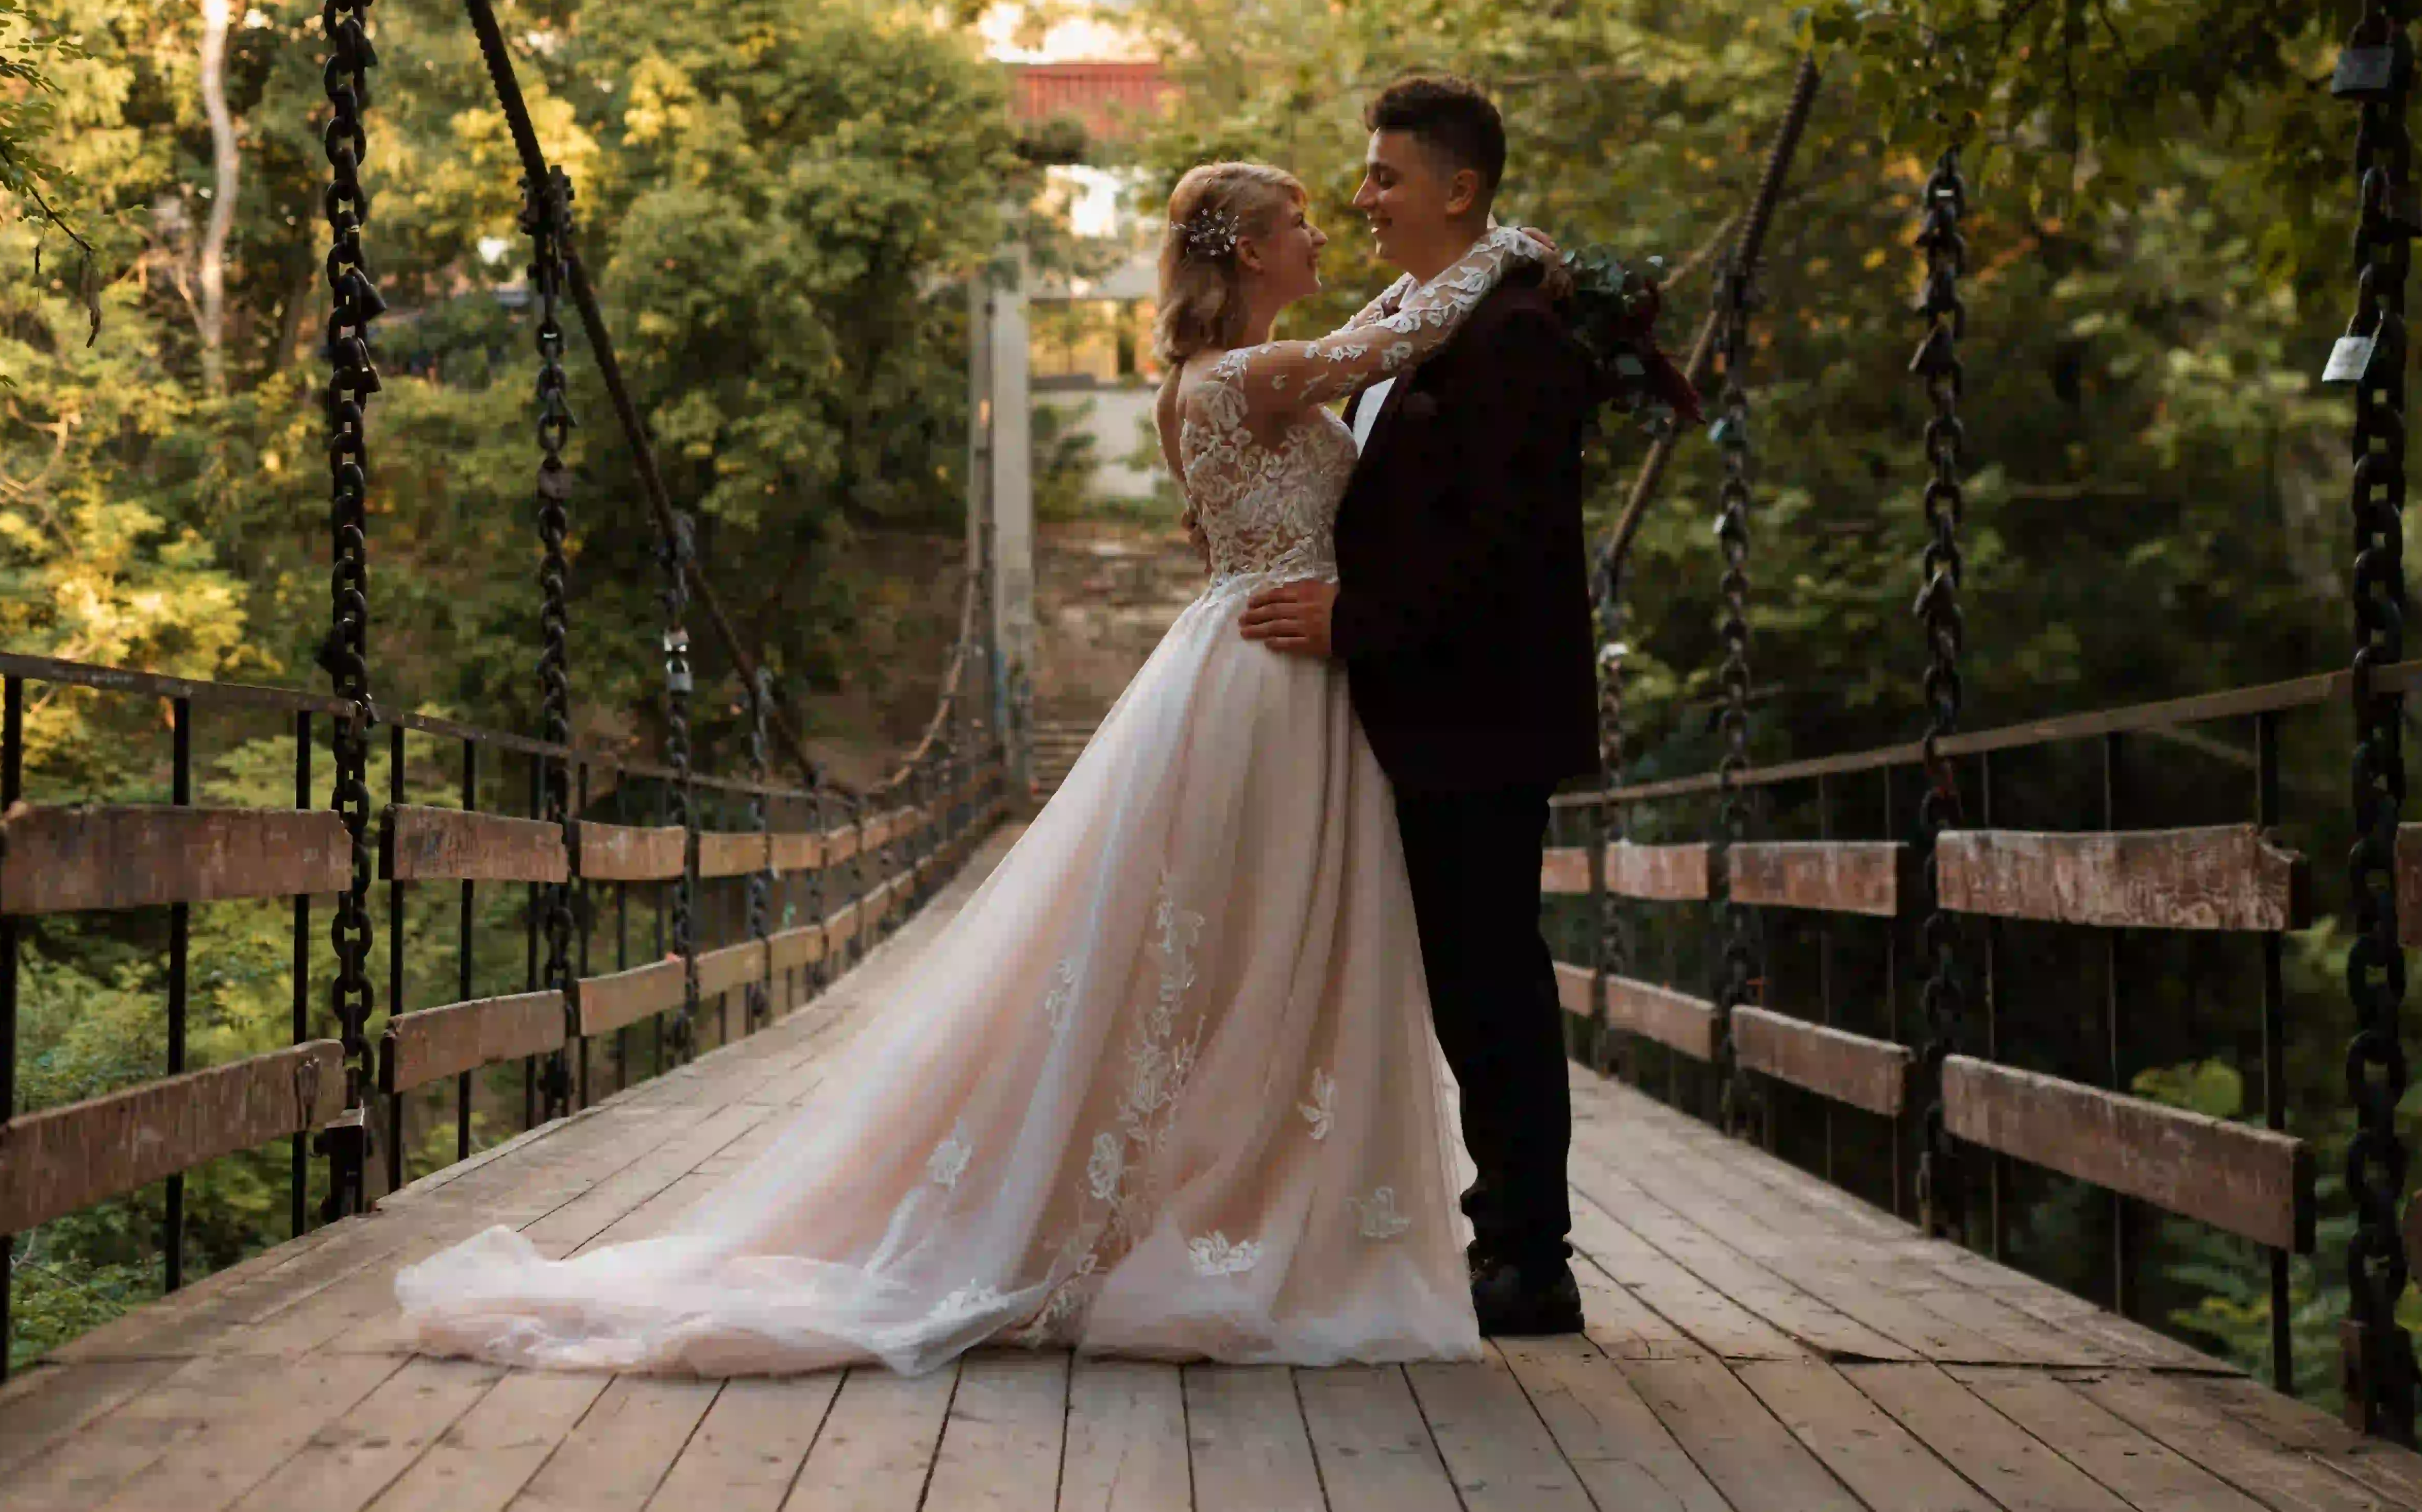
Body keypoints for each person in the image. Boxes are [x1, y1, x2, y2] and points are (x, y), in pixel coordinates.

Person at [388, 157, 1557, 1376]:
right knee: (1243, 947)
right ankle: (1218, 1207)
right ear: (1254, 253)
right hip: (1275, 676)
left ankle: (1222, 1192)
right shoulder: (1258, 378)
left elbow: (1365, 338)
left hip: (1256, 659)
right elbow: (1407, 327)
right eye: (1302, 223)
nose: (1325, 234)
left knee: (1222, 950)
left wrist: (1436, 286)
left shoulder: (1202, 385)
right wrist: (1508, 245)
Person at [1241, 75, 1594, 1338]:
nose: (1363, 197)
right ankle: (1490, 1235)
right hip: (1412, 710)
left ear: (1460, 189)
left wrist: (1356, 622)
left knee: (1491, 976)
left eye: (1386, 176)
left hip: (1479, 712)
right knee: (1460, 976)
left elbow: (1508, 546)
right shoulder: (1419, 324)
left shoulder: (1517, 338)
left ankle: (1528, 1258)